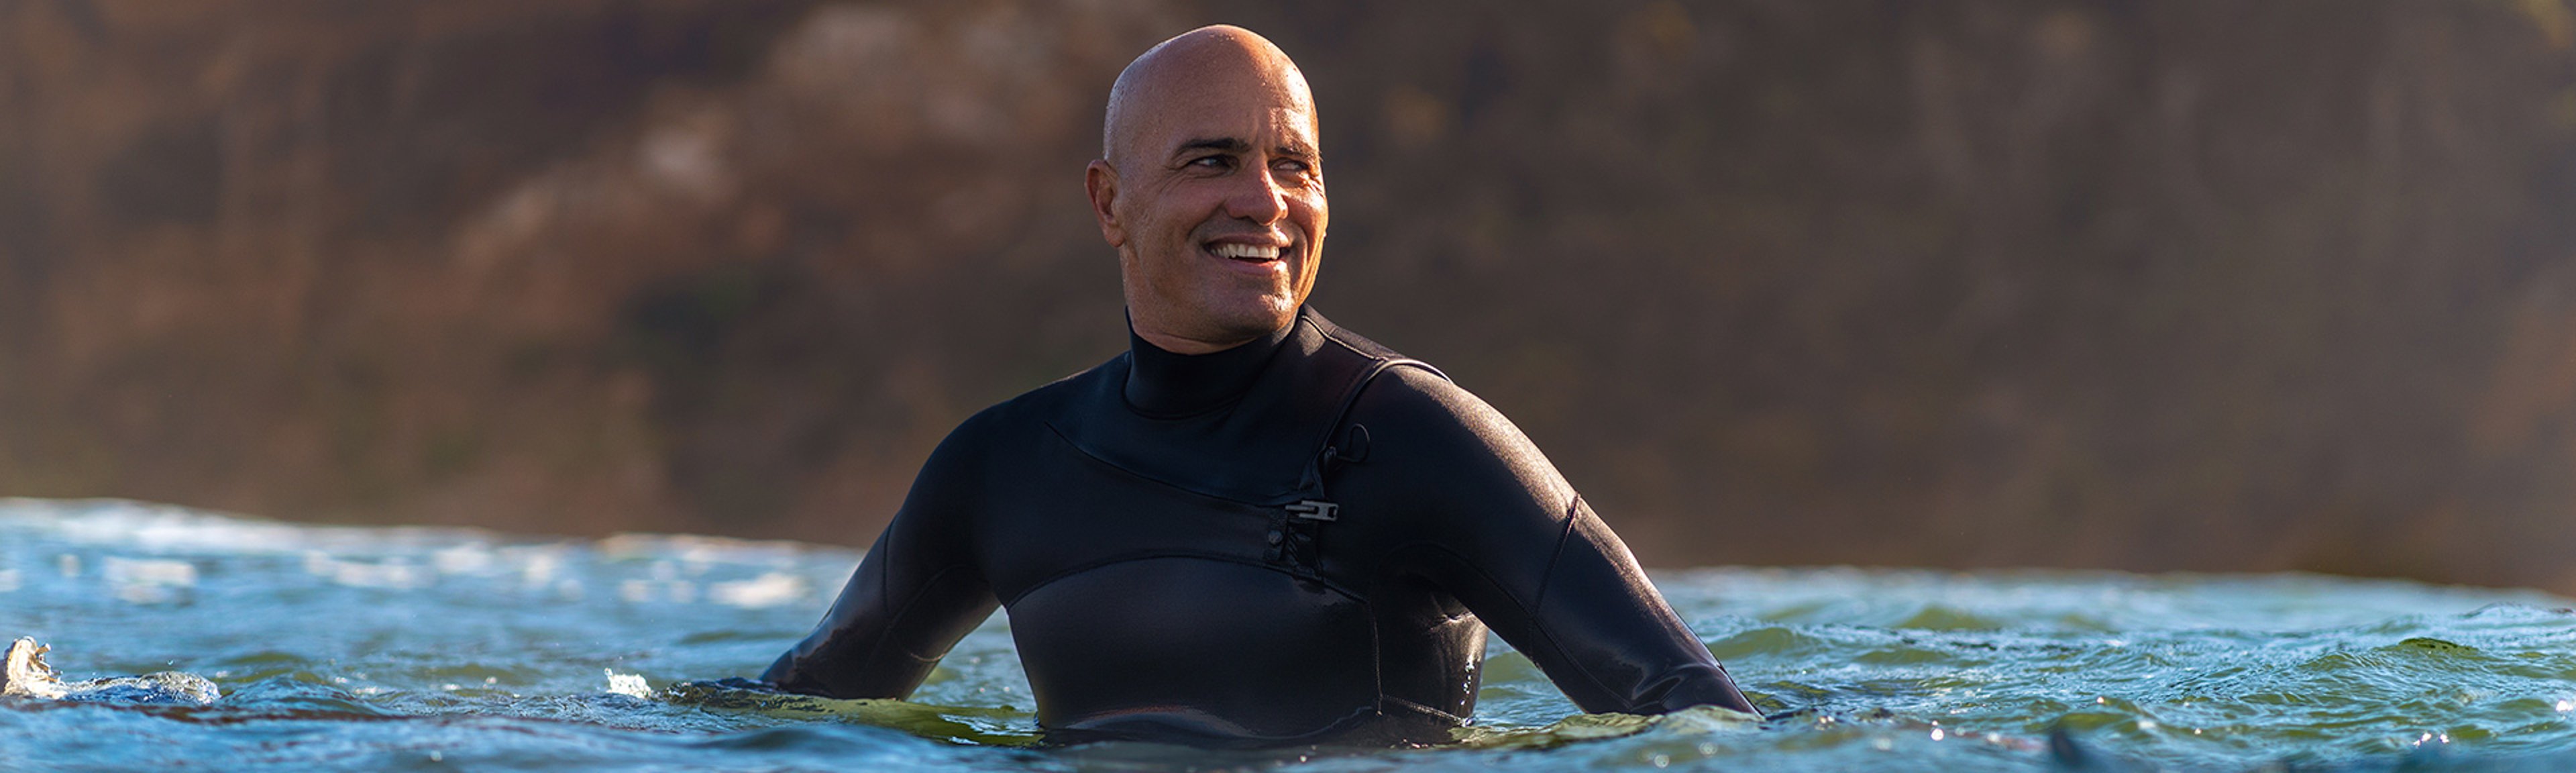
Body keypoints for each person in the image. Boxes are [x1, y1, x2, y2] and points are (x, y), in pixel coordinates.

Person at [758, 24, 1756, 746]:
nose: (1265, 201)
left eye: (1295, 164)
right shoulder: (1002, 466)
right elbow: (792, 712)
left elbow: (1696, 713)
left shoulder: (1418, 438)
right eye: (1214, 161)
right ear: (1110, 202)